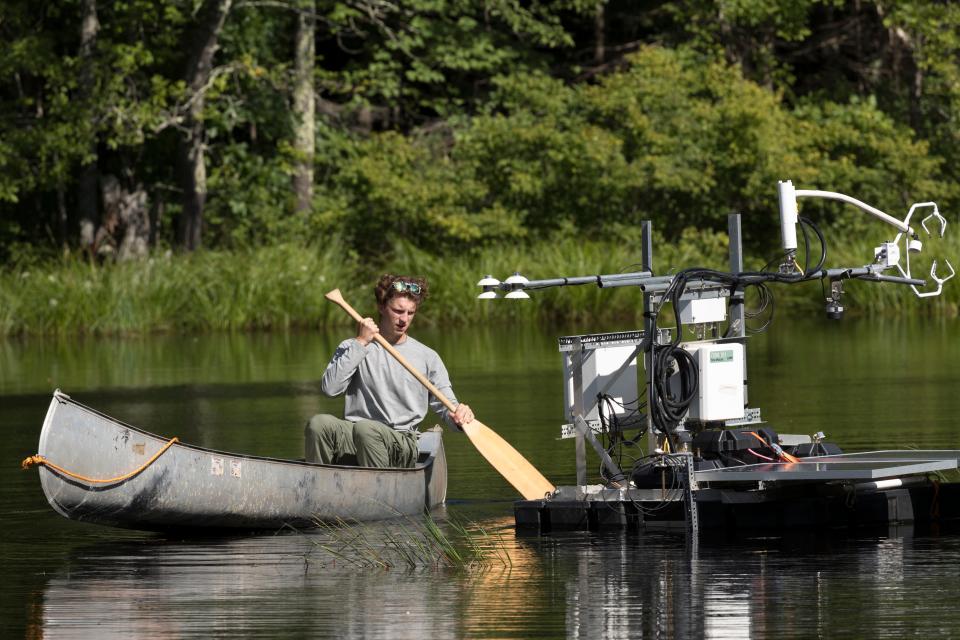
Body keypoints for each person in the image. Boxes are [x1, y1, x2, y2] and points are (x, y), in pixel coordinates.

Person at [305, 274, 474, 468]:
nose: (404, 319)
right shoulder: (352, 347)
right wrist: (361, 343)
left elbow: (447, 407)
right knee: (318, 424)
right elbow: (330, 389)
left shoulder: (428, 357)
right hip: (355, 433)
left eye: (410, 313)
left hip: (402, 440)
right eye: (398, 311)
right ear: (381, 307)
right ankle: (318, 487)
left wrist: (459, 416)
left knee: (367, 429)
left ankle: (378, 492)